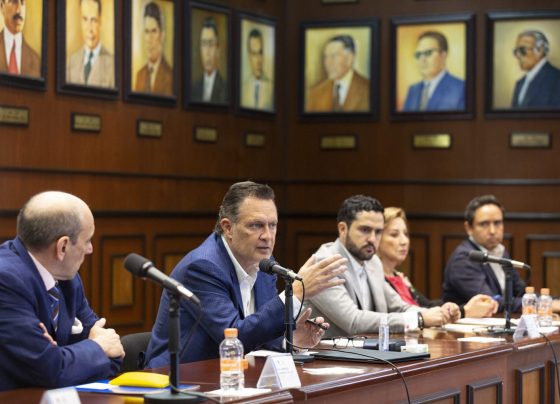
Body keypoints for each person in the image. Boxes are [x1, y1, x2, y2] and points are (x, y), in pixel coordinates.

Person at [144, 181, 347, 367]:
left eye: (272, 225)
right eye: (256, 225)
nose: (267, 236)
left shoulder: (265, 264)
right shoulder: (202, 267)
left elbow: (258, 333)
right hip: (179, 379)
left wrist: (291, 340)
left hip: (230, 375)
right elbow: (235, 337)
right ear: (228, 228)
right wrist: (295, 294)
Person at [0, 191, 124, 391]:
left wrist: (67, 357)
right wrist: (96, 347)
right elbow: (48, 370)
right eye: (87, 240)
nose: (90, 249)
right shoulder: (6, 280)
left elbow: (114, 355)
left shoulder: (68, 279)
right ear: (63, 246)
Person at [305, 195, 459, 339]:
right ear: (343, 229)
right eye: (365, 230)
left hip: (363, 352)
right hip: (326, 354)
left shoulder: (373, 262)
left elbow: (399, 307)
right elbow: (353, 321)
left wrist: (439, 313)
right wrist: (419, 319)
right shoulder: (324, 264)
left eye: (378, 232)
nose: (373, 239)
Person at [378, 207, 498, 318]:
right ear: (377, 237)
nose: (404, 241)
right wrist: (465, 310)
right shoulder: (376, 279)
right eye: (394, 235)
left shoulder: (398, 277)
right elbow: (403, 315)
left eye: (406, 234)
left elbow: (426, 305)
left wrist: (455, 307)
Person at [442, 195, 527, 312]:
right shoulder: (463, 259)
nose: (492, 231)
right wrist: (534, 305)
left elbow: (521, 291)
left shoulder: (500, 251)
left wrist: (545, 301)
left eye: (497, 223)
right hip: (467, 323)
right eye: (484, 224)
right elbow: (490, 303)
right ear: (469, 228)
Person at [403, 31, 465, 112]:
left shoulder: (461, 88)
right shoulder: (413, 90)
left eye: (428, 53)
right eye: (418, 54)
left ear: (443, 55)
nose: (422, 59)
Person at [306, 35, 369, 113]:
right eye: (326, 57)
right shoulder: (314, 93)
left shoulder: (368, 90)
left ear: (349, 59)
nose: (327, 63)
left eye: (333, 56)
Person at [66, 0, 115, 87]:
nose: (89, 29)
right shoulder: (71, 62)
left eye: (94, 20)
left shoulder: (113, 65)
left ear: (100, 22)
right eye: (85, 19)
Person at [511, 30, 560, 108]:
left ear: (539, 50)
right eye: (516, 51)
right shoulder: (520, 83)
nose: (518, 55)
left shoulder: (556, 79)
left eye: (522, 50)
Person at [134, 1, 172, 95]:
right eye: (146, 32)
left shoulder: (170, 76)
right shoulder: (140, 76)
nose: (149, 39)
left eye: (154, 31)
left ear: (162, 36)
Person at [0, 0, 40, 76]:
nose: (19, 10)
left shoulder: (36, 61)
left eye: (22, 3)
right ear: (2, 6)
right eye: (13, 2)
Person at [191, 16, 227, 103]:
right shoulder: (194, 88)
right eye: (204, 44)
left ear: (218, 49)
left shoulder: (226, 89)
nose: (207, 52)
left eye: (211, 44)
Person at [241, 28, 273, 111]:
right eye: (254, 54)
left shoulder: (272, 88)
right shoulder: (243, 89)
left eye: (260, 53)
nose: (259, 60)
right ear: (249, 57)